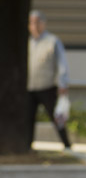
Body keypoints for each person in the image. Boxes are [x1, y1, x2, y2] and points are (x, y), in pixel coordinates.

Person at [27, 10, 71, 149]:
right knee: (27, 119)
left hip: (48, 87)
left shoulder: (52, 41)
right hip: (29, 87)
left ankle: (67, 145)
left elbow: (62, 64)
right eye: (31, 22)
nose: (34, 26)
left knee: (56, 117)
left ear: (43, 24)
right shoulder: (27, 42)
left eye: (37, 22)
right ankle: (27, 147)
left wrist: (62, 83)